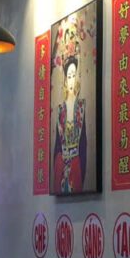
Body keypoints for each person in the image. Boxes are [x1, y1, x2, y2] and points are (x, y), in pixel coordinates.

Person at [53, 55, 86, 194]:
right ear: (66, 80)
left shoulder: (81, 107)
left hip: (76, 165)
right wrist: (58, 163)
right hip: (62, 167)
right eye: (69, 76)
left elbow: (83, 142)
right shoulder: (60, 110)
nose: (71, 79)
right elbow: (57, 145)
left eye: (74, 75)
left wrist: (80, 167)